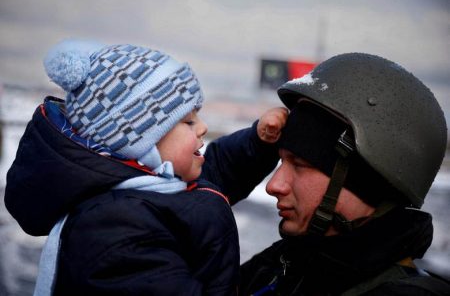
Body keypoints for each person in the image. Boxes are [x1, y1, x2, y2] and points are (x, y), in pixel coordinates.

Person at [4, 40, 287, 295]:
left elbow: (219, 171)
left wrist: (259, 141)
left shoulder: (150, 192)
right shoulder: (115, 230)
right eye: (188, 122)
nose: (203, 128)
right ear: (138, 140)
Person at [239, 53, 450, 295]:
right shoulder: (282, 263)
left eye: (300, 165)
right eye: (282, 161)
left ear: (369, 182)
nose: (274, 185)